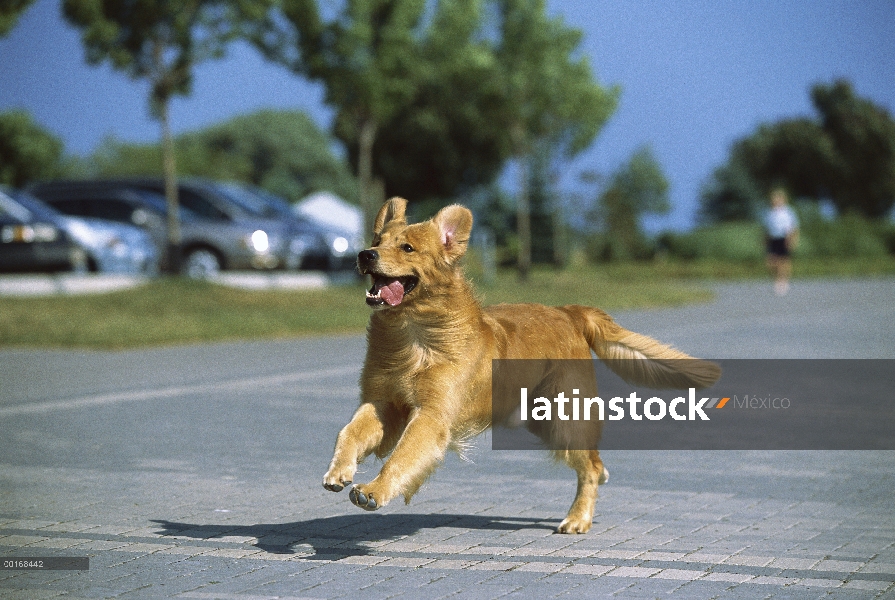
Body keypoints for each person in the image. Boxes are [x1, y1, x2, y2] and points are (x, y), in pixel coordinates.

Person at [764, 188, 799, 295]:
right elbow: (765, 228)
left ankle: (783, 281)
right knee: (771, 261)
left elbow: (793, 227)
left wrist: (792, 240)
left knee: (783, 261)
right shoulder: (769, 213)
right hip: (772, 238)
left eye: (777, 199)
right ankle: (777, 279)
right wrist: (764, 240)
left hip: (784, 238)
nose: (775, 201)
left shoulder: (787, 212)